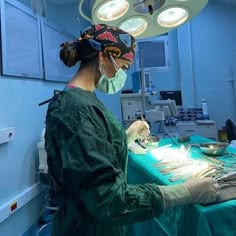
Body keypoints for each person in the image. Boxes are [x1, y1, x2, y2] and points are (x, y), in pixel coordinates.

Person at [44, 24, 219, 236]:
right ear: (104, 57)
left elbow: (93, 154)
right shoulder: (77, 110)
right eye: (124, 67)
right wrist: (184, 193)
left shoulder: (81, 100)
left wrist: (125, 136)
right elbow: (109, 201)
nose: (123, 74)